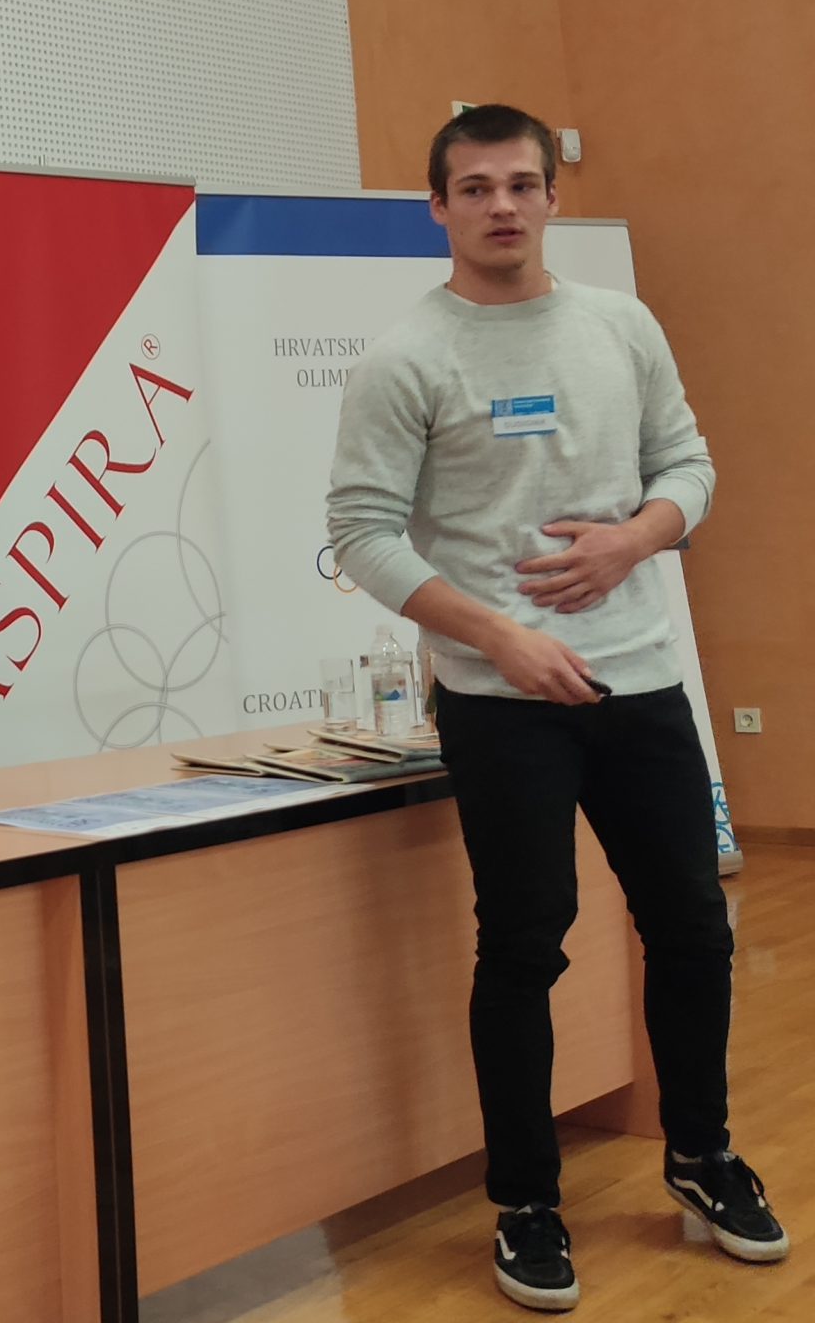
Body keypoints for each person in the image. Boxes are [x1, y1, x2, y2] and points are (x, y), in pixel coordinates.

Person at [326, 104, 783, 1313]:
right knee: (524, 946)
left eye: (521, 184)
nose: (502, 207)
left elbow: (689, 465)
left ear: (549, 197)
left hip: (641, 682)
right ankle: (526, 1204)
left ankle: (701, 1155)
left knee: (692, 928)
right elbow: (359, 533)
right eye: (475, 188)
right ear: (438, 207)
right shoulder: (404, 357)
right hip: (501, 703)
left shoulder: (619, 326)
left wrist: (636, 537)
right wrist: (498, 637)